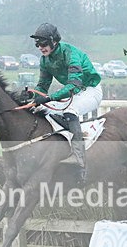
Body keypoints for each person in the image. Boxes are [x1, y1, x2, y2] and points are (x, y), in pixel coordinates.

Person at [28, 23, 103, 183]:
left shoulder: (71, 53)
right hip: (76, 92)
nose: (40, 47)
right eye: (37, 44)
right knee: (42, 110)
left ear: (54, 41)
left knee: (71, 111)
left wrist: (49, 98)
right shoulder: (44, 60)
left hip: (90, 90)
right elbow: (42, 86)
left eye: (43, 43)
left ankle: (79, 159)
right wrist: (32, 95)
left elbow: (74, 86)